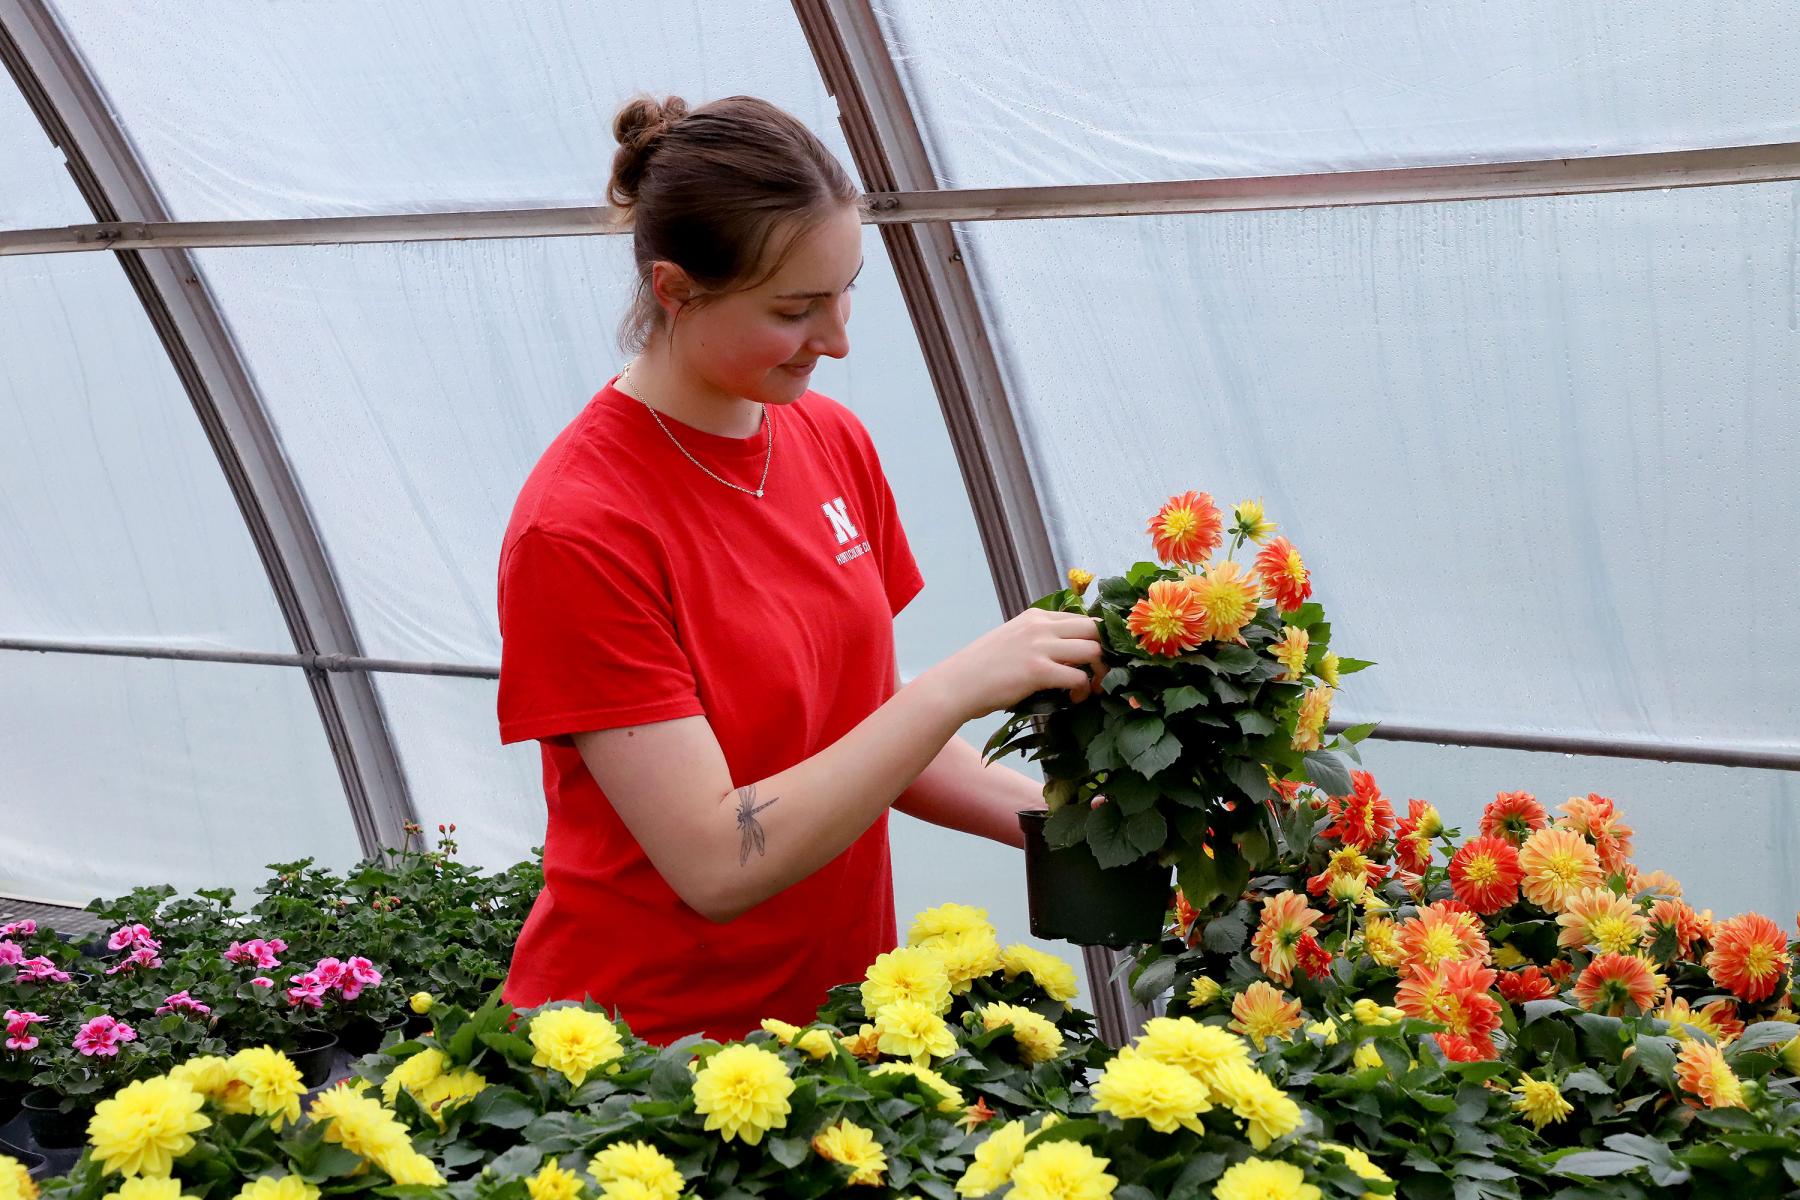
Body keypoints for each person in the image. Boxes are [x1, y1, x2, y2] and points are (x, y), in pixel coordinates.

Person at [495, 94, 1102, 1044]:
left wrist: (1077, 820)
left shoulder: (829, 440)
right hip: (638, 1059)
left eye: (847, 287)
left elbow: (862, 736)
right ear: (674, 288)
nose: (839, 337)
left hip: (824, 1028)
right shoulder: (582, 527)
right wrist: (954, 689)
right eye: (794, 308)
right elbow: (714, 861)